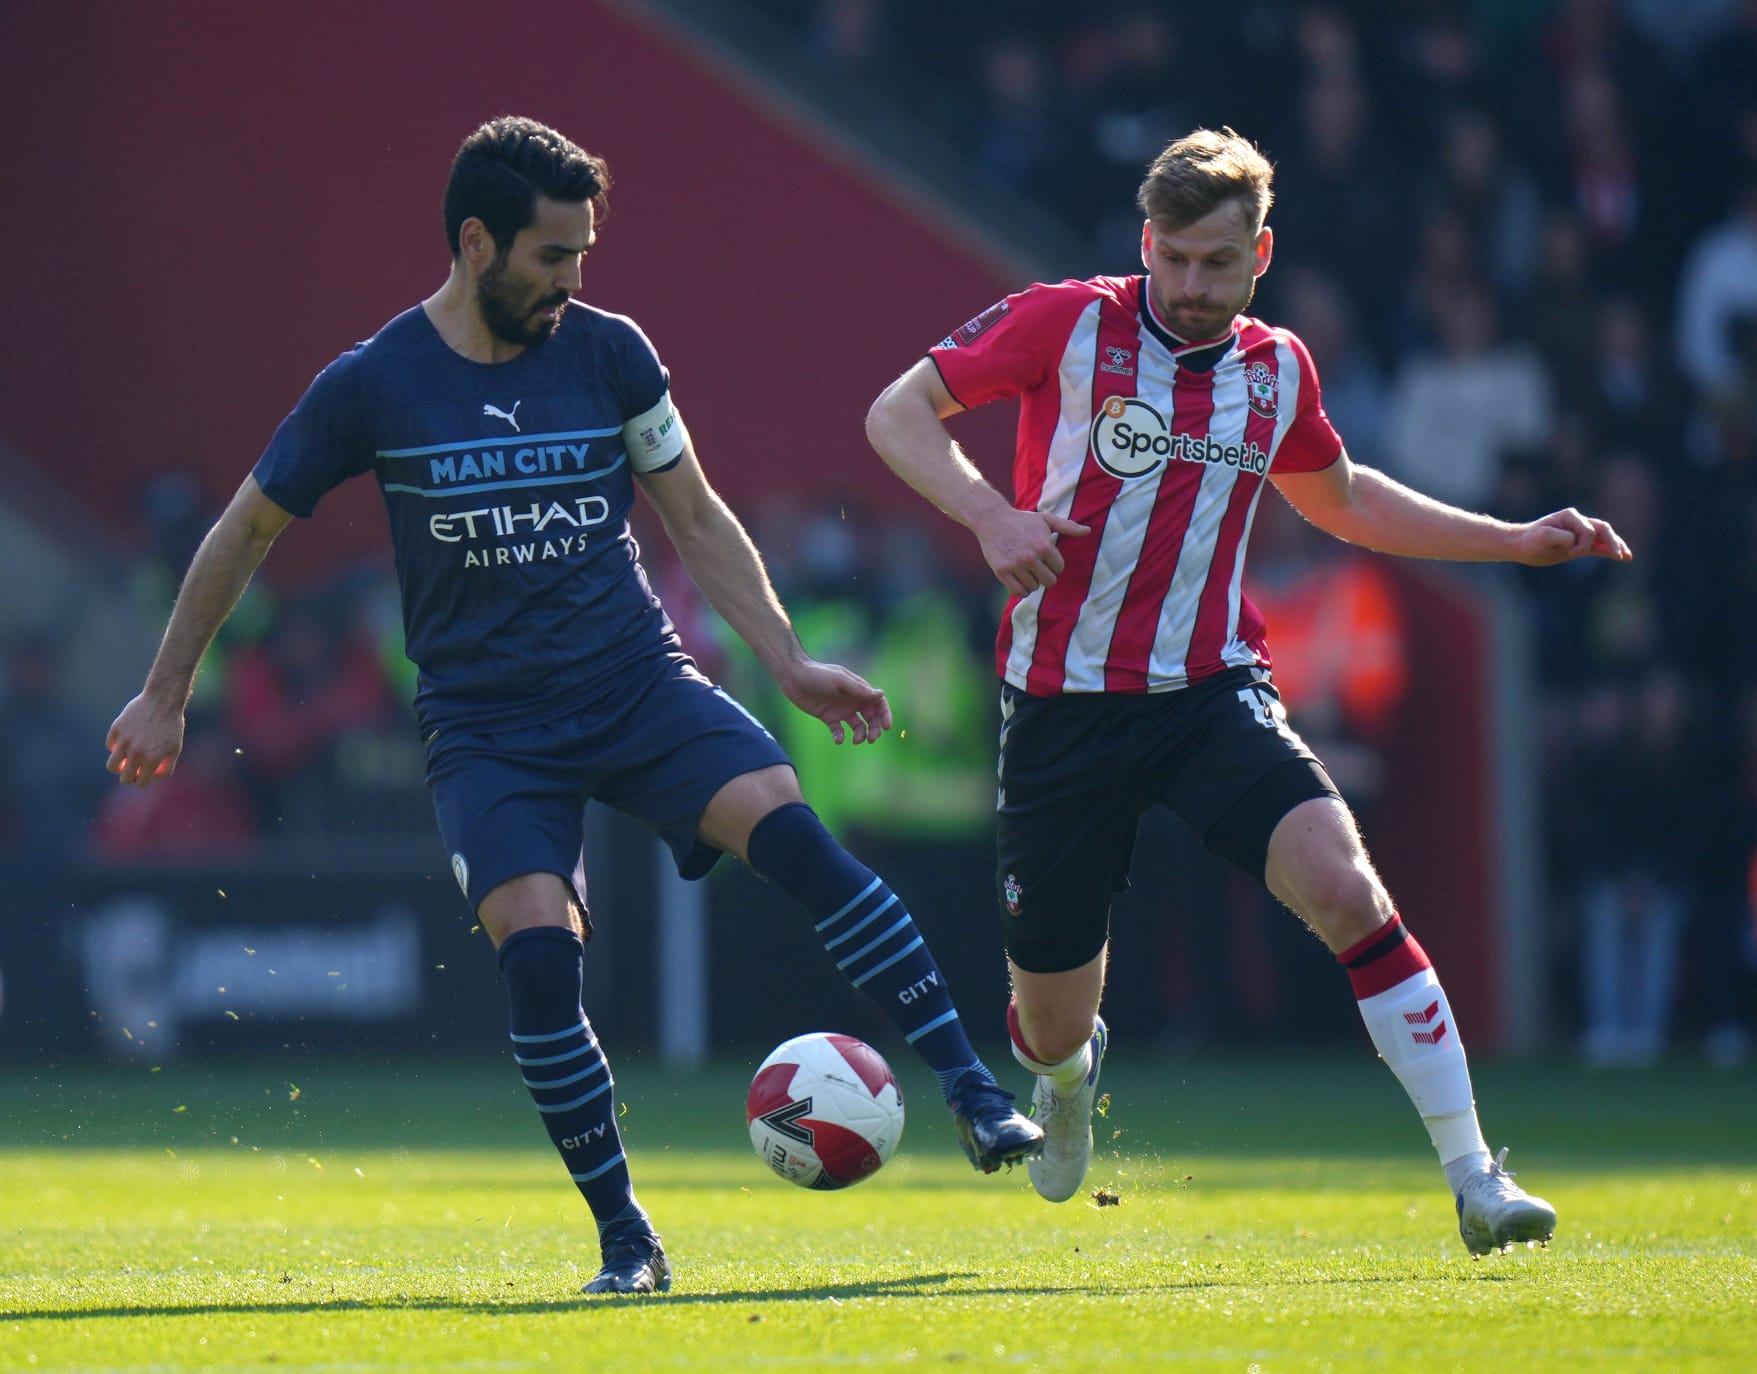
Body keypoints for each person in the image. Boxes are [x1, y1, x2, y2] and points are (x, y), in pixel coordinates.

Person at [104, 116, 1041, 1297]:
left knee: (800, 842)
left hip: (635, 686)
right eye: (552, 258)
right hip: (487, 731)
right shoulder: (372, 383)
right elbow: (245, 531)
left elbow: (694, 516)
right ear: (476, 243)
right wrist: (164, 691)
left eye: (583, 255)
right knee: (541, 966)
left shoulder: (610, 355)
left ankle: (972, 1094)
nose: (572, 282)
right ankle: (626, 1239)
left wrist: (787, 661)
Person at [865, 127, 1633, 1255]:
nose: (1187, 285)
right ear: (1144, 242)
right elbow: (895, 414)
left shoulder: (1276, 369)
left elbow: (1346, 501)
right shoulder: (1062, 321)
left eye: (1213, 264)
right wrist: (989, 514)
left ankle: (1476, 1178)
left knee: (1345, 889)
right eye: (1171, 258)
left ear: (1258, 255)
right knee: (1043, 1027)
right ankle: (1069, 1082)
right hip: (1060, 710)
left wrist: (1514, 543)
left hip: (1207, 693)